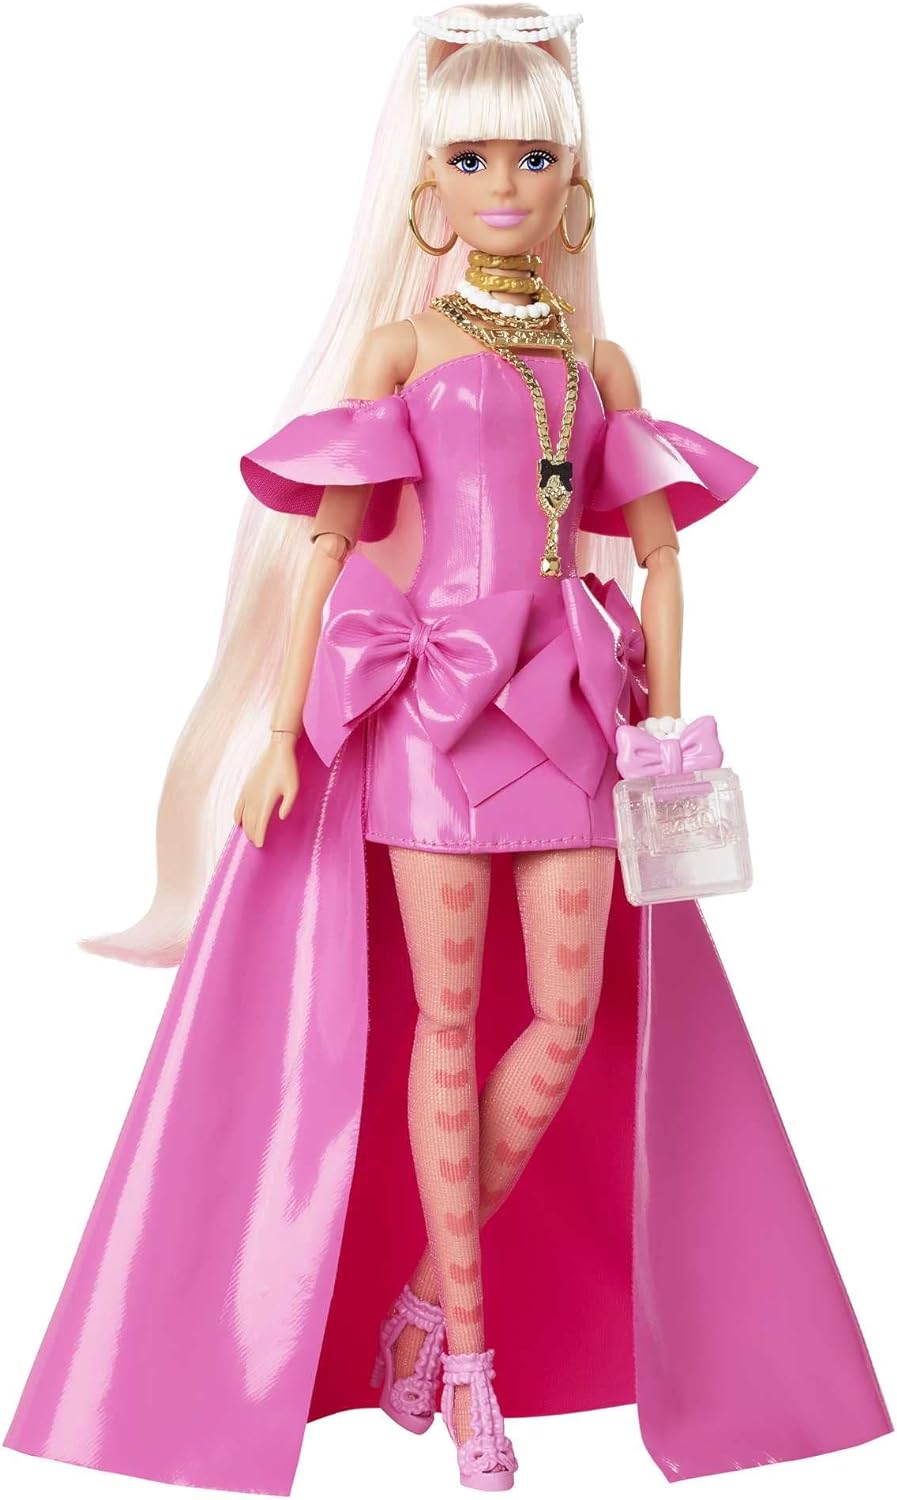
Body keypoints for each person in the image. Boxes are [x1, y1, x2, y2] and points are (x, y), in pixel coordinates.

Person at [3, 7, 892, 1496]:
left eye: (532, 157)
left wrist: (665, 730)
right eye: (471, 158)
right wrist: (274, 732)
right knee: (445, 1023)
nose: (503, 185)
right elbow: (320, 546)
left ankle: (423, 1296)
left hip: (569, 718)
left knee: (561, 1023)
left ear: (574, 183)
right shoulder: (402, 345)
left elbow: (662, 558)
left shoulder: (599, 363)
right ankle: (467, 1372)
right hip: (429, 722)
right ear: (427, 184)